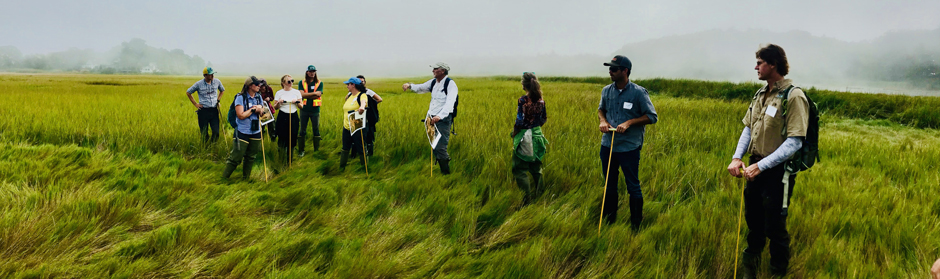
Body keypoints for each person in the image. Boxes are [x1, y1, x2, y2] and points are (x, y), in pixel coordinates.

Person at [726, 44, 810, 278]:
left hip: (777, 172)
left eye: (760, 62)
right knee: (753, 220)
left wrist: (761, 166)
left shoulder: (794, 96)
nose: (756, 67)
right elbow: (748, 128)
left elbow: (795, 141)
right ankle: (749, 268)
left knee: (775, 226)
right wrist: (736, 158)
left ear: (773, 64)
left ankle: (777, 273)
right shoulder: (760, 94)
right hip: (753, 166)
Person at [597, 55, 658, 230]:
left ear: (625, 71)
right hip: (608, 145)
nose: (610, 71)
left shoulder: (638, 93)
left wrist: (629, 123)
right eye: (610, 68)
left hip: (629, 148)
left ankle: (636, 226)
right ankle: (609, 220)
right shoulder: (606, 91)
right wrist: (603, 121)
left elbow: (652, 117)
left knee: (633, 185)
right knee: (609, 183)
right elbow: (601, 109)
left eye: (614, 69)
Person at [402, 62, 458, 174]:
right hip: (431, 118)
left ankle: (446, 174)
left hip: (443, 120)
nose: (433, 70)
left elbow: (450, 103)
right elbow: (421, 88)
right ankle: (443, 170)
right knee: (434, 145)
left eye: (435, 69)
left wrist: (439, 116)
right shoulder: (433, 82)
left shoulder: (450, 84)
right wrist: (409, 85)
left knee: (441, 146)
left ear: (442, 71)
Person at [511, 72, 548, 205]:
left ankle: (526, 201)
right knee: (536, 168)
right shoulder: (541, 100)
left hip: (525, 136)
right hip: (537, 134)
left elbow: (519, 121)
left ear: (524, 84)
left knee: (519, 169)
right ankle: (540, 196)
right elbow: (544, 119)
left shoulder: (523, 100)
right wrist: (535, 127)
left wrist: (515, 134)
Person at [222, 76, 266, 179]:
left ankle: (246, 178)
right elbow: (240, 115)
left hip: (256, 130)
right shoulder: (240, 97)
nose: (259, 86)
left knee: (251, 157)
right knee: (236, 157)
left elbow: (263, 114)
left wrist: (261, 111)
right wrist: (253, 110)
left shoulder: (258, 97)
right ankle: (224, 178)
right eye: (256, 84)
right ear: (250, 86)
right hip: (242, 130)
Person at [186, 67, 226, 143]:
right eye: (210, 74)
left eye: (213, 74)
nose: (212, 75)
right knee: (204, 133)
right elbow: (188, 92)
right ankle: (205, 147)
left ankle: (212, 146)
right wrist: (195, 104)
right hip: (203, 110)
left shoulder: (217, 82)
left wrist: (218, 100)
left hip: (214, 110)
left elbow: (222, 90)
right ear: (205, 75)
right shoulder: (199, 84)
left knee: (216, 132)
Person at [340, 77, 369, 170]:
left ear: (353, 85)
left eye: (348, 84)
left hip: (356, 124)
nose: (347, 86)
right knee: (345, 147)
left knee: (360, 147)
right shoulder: (349, 96)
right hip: (346, 125)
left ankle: (364, 167)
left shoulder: (362, 95)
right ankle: (342, 168)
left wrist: (362, 107)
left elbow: (363, 103)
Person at [273, 75, 303, 163]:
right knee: (282, 136)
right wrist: (279, 103)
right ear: (283, 83)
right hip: (282, 116)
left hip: (293, 115)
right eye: (288, 81)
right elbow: (275, 107)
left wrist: (297, 102)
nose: (291, 83)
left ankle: (289, 160)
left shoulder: (297, 92)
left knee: (293, 136)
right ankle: (281, 159)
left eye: (292, 81)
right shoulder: (279, 93)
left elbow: (301, 106)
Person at [297, 65, 323, 156]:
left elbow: (318, 94)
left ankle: (316, 150)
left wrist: (306, 94)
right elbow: (301, 95)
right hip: (304, 109)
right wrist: (313, 94)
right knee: (302, 130)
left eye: (313, 71)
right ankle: (301, 150)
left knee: (316, 129)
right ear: (307, 72)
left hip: (315, 110)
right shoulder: (302, 82)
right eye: (310, 71)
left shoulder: (319, 83)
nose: (312, 73)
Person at [357, 75, 383, 156]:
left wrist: (370, 105)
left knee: (369, 135)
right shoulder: (352, 93)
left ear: (365, 82)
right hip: (357, 116)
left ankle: (369, 154)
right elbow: (347, 98)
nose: (361, 83)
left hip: (369, 117)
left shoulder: (368, 92)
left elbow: (379, 99)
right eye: (359, 81)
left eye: (362, 81)